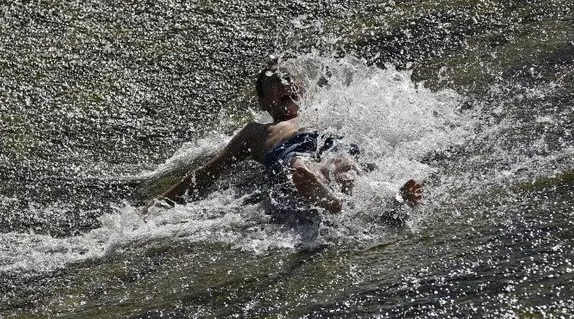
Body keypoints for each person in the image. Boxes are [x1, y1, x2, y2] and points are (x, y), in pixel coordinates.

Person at [151, 58, 423, 215]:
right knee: (299, 165)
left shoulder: (320, 112)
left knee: (345, 167)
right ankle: (321, 192)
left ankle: (392, 199)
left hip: (327, 140)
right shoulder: (255, 132)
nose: (284, 83)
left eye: (287, 78)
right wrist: (160, 204)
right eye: (274, 82)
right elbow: (210, 170)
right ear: (262, 102)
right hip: (288, 150)